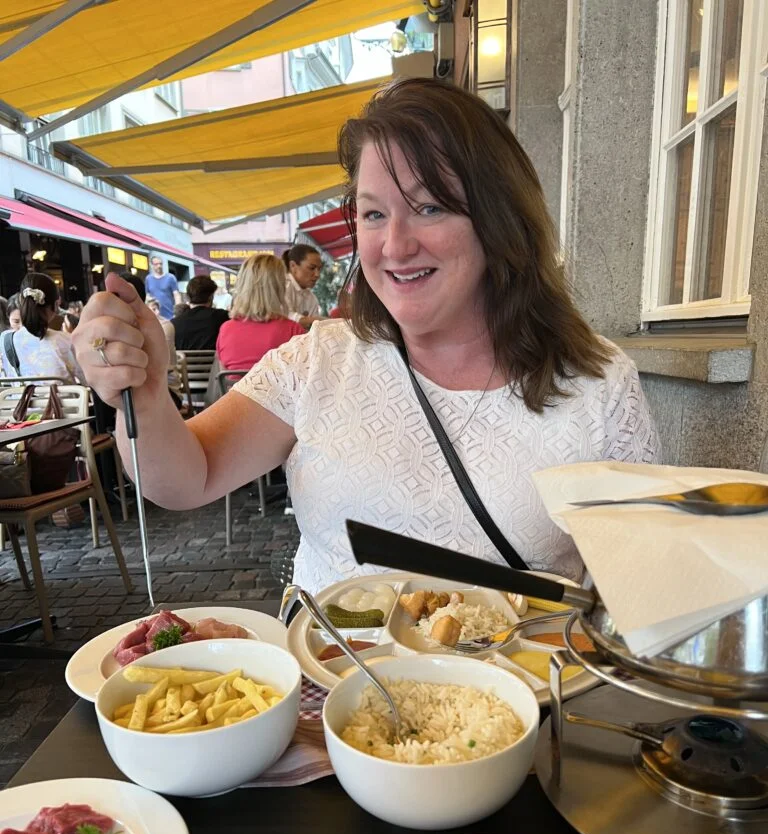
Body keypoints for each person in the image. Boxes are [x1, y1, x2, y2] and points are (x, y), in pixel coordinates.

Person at [70, 78, 659, 592]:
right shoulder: (316, 362)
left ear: (500, 220)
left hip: (520, 707)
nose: (395, 246)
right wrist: (143, 389)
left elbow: (637, 589)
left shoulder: (598, 384)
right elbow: (184, 478)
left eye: (429, 208)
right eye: (374, 214)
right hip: (331, 700)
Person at [216, 254, 304, 371]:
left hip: (233, 388)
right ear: (279, 287)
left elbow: (222, 377)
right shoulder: (293, 331)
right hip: (276, 389)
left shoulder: (225, 329)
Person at [1, 272, 82, 381]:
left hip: (21, 397)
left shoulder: (5, 339)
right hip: (58, 398)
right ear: (55, 305)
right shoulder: (64, 341)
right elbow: (88, 379)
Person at [171, 275, 228, 352]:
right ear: (211, 297)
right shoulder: (223, 318)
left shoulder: (174, 324)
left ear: (188, 297)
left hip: (185, 364)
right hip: (214, 363)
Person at [283, 244, 323, 330]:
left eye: (319, 269)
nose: (317, 274)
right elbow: (285, 317)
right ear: (293, 266)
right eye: (312, 268)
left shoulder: (311, 298)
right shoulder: (282, 287)